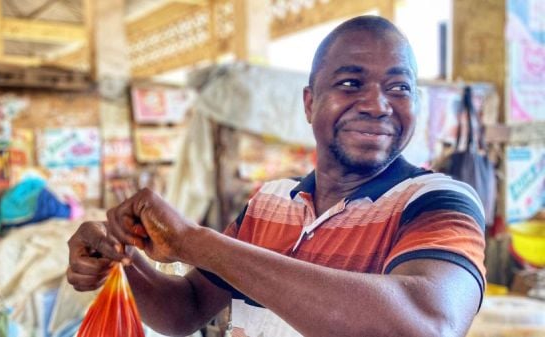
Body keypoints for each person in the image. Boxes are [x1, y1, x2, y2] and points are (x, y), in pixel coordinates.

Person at [67, 15, 485, 337]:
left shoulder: (437, 202)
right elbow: (186, 307)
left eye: (399, 88)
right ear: (309, 103)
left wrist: (196, 242)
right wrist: (122, 263)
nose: (377, 105)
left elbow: (429, 323)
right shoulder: (269, 203)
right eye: (351, 82)